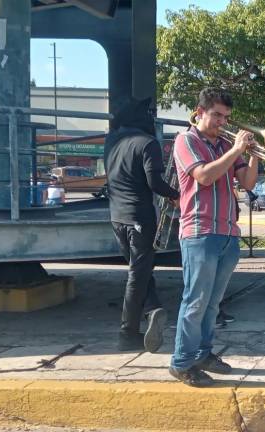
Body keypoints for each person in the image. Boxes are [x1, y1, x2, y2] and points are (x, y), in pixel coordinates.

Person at [169, 88, 259, 387]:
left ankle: (203, 354)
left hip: (227, 232)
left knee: (213, 303)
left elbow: (246, 182)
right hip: (199, 231)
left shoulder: (224, 145)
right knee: (195, 301)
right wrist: (235, 150)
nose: (222, 121)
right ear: (199, 112)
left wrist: (254, 156)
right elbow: (205, 176)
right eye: (217, 115)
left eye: (226, 117)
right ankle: (181, 362)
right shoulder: (186, 141)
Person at [104, 97, 180, 353]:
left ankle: (153, 309)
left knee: (141, 270)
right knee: (137, 276)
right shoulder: (148, 143)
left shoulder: (111, 141)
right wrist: (176, 194)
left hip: (117, 216)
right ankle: (127, 333)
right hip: (140, 217)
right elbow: (154, 183)